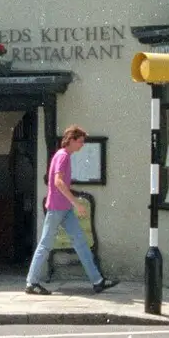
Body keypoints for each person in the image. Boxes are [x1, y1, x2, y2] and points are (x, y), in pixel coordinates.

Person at [24, 126, 117, 296]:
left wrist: (71, 204)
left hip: (64, 208)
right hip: (57, 207)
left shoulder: (64, 155)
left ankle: (98, 281)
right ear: (72, 140)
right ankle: (31, 282)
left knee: (80, 242)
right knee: (45, 244)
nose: (82, 145)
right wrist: (76, 203)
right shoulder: (63, 156)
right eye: (80, 141)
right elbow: (58, 182)